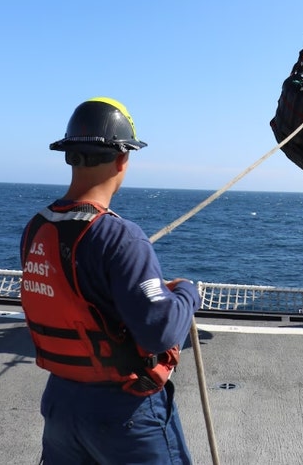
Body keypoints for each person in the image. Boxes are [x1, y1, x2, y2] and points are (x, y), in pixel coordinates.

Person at [19, 96, 200, 465]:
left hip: (62, 405)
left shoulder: (36, 228)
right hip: (124, 414)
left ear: (70, 156)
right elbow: (159, 330)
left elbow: (79, 296)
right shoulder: (121, 237)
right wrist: (186, 294)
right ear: (122, 159)